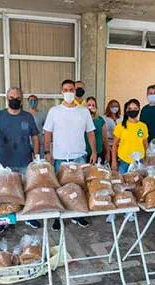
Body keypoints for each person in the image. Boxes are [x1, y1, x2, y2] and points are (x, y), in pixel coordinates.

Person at [44, 79, 96, 230]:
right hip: (60, 157)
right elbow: (47, 133)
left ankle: (78, 215)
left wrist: (93, 151)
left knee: (79, 188)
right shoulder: (54, 111)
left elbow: (90, 133)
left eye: (71, 89)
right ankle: (57, 217)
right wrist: (48, 152)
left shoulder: (84, 111)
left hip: (79, 156)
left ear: (75, 91)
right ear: (61, 92)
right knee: (59, 188)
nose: (68, 92)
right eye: (65, 90)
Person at [0, 87, 41, 229]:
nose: (14, 100)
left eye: (17, 98)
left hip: (25, 161)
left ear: (21, 99)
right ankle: (3, 220)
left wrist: (36, 157)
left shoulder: (27, 117)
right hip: (4, 163)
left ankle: (28, 217)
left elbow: (35, 137)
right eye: (11, 98)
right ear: (7, 99)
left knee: (25, 191)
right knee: (3, 193)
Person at [111, 99, 149, 174]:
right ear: (126, 110)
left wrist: (147, 159)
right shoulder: (120, 126)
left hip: (139, 161)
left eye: (135, 108)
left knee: (138, 183)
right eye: (130, 108)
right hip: (124, 161)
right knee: (123, 184)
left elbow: (145, 144)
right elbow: (114, 145)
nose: (133, 110)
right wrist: (114, 161)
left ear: (139, 109)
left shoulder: (143, 126)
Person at [85, 97, 109, 164]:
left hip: (98, 152)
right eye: (89, 105)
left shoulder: (100, 120)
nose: (91, 107)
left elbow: (105, 138)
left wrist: (107, 153)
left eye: (93, 105)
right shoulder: (82, 120)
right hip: (84, 153)